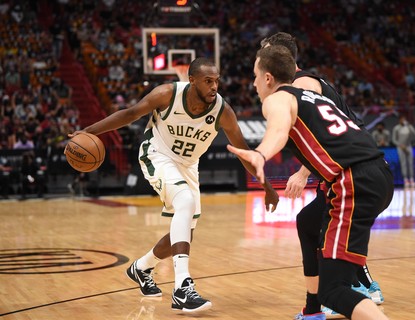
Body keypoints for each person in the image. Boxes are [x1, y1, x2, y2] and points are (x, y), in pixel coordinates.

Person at [69, 57, 279, 313]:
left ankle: (142, 268)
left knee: (184, 234)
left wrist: (267, 186)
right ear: (192, 80)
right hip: (157, 154)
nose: (214, 87)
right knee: (185, 202)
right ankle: (182, 287)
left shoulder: (223, 111)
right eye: (208, 81)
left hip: (189, 166)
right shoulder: (167, 94)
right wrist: (89, 131)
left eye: (217, 81)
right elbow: (130, 113)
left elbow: (244, 151)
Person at [228, 45, 393, 320]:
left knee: (334, 290)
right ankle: (316, 308)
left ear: (268, 78)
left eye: (255, 76)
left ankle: (335, 298)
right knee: (311, 227)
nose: (253, 83)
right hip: (378, 174)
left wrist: (260, 154)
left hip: (353, 180)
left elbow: (279, 129)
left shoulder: (277, 99)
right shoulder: (314, 96)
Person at [391, 114, 415, 187]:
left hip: (408, 146)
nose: (403, 120)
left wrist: (409, 126)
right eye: (402, 119)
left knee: (410, 162)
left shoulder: (408, 127)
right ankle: (405, 179)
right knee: (403, 163)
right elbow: (394, 139)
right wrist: (400, 145)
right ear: (399, 120)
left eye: (404, 119)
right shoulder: (396, 128)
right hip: (400, 147)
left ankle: (411, 179)